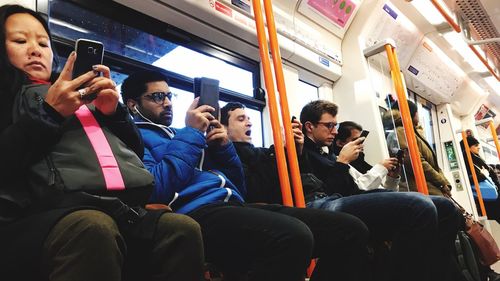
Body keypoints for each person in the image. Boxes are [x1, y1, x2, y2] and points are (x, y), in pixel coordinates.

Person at [0, 5, 204, 281]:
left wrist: (114, 113)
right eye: (20, 41)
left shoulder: (77, 95)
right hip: (28, 217)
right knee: (92, 226)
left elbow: (133, 156)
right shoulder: (11, 96)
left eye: (44, 43)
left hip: (105, 204)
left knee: (181, 228)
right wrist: (50, 113)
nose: (35, 50)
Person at [121, 71, 372, 281]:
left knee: (350, 229)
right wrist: (191, 134)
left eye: (169, 95)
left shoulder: (182, 134)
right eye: (157, 97)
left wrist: (224, 149)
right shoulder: (134, 138)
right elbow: (158, 186)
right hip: (195, 212)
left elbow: (236, 185)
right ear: (133, 104)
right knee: (293, 235)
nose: (167, 102)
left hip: (232, 204)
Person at [299, 100, 463, 281]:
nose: (335, 131)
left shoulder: (329, 154)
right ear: (309, 126)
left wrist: (391, 178)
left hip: (347, 198)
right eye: (329, 126)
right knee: (420, 205)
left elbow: (353, 188)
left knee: (447, 209)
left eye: (335, 125)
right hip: (324, 205)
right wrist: (342, 163)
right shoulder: (301, 153)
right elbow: (331, 191)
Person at [221, 102, 373, 281]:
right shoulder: (227, 156)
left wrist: (296, 151)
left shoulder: (265, 153)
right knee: (349, 230)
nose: (249, 123)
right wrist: (284, 153)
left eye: (248, 118)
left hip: (302, 203)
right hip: (279, 210)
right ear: (223, 128)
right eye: (241, 119)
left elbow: (303, 181)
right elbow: (257, 189)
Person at [384, 100, 452, 196]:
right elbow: (416, 162)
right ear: (412, 114)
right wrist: (441, 182)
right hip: (418, 189)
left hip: (430, 186)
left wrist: (443, 182)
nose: (418, 116)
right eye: (417, 113)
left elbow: (432, 164)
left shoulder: (413, 132)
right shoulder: (400, 132)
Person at [332, 121, 400, 191]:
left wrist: (392, 179)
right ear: (340, 143)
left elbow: (385, 195)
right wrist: (381, 168)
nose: (361, 145)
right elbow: (357, 191)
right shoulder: (340, 165)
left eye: (361, 141)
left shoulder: (362, 164)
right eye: (356, 141)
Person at [460, 136, 500, 222]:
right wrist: (483, 175)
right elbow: (468, 179)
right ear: (468, 146)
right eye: (475, 145)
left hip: (492, 193)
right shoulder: (466, 161)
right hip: (486, 197)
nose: (479, 147)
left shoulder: (476, 158)